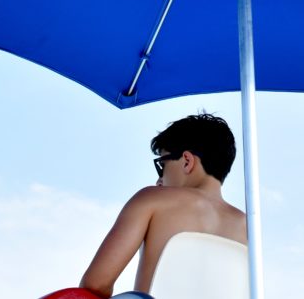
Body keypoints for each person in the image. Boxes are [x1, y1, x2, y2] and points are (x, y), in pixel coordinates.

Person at [40, 113, 247, 299]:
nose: (160, 180)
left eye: (162, 165)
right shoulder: (248, 226)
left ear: (186, 161)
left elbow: (97, 283)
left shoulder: (153, 199)